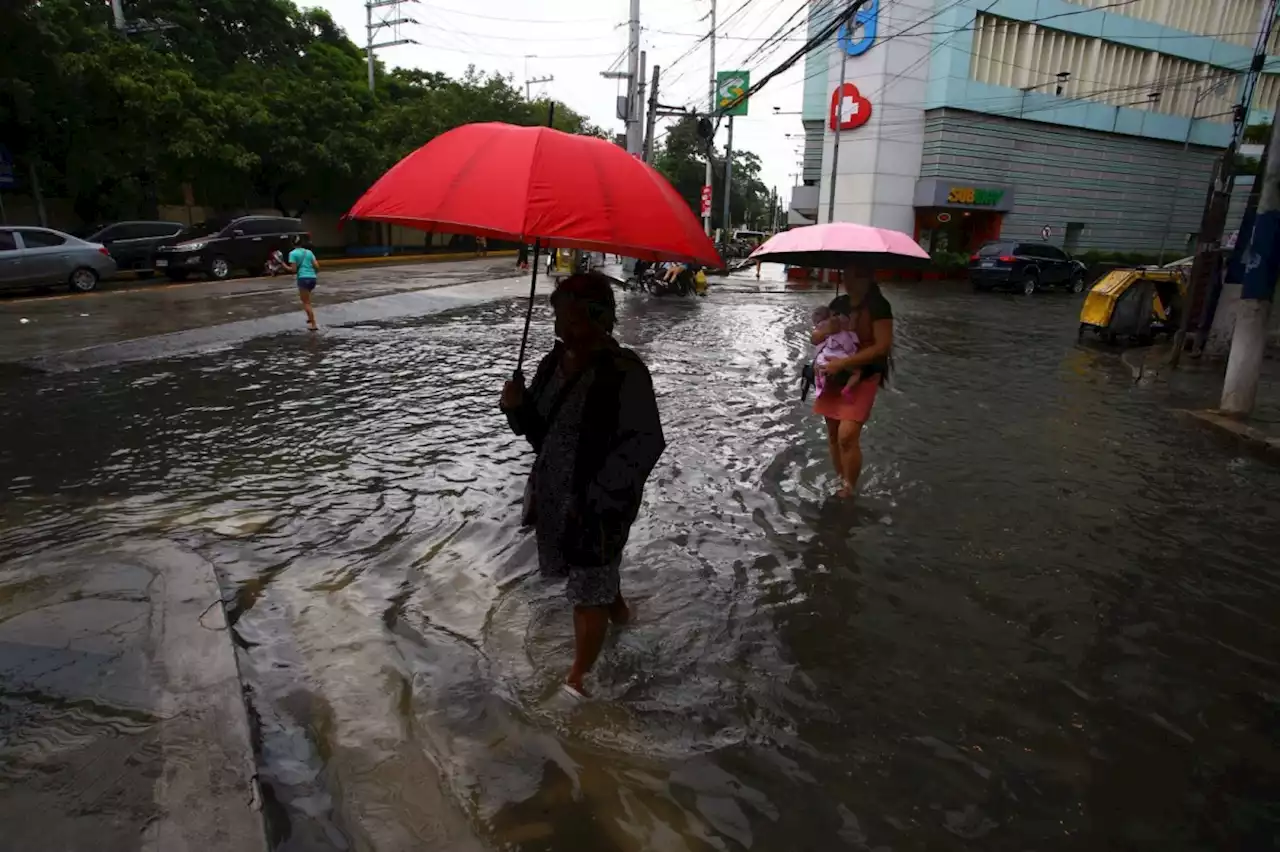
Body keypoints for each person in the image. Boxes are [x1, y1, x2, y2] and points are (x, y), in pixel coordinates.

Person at [500, 272, 666, 698]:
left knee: (587, 586)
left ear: (602, 319)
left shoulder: (625, 372)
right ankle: (623, 615)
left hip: (598, 502)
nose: (564, 328)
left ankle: (578, 680)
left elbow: (645, 443)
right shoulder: (552, 364)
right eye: (559, 318)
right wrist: (515, 410)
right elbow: (539, 432)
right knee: (590, 574)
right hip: (555, 492)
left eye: (574, 319)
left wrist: (599, 498)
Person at [811, 266, 894, 498]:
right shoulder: (839, 304)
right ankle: (841, 478)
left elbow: (883, 346)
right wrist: (823, 333)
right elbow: (816, 335)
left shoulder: (879, 306)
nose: (847, 279)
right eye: (845, 274)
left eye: (853, 274)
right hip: (834, 375)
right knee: (833, 432)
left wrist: (846, 363)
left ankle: (849, 487)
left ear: (867, 276)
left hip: (864, 374)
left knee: (847, 434)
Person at [810, 305, 863, 398]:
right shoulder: (846, 335)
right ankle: (847, 388)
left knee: (817, 365)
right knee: (857, 372)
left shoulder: (828, 337)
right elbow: (849, 348)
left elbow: (818, 347)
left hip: (824, 357)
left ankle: (818, 381)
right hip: (841, 359)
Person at [284, 237, 320, 331]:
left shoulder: (292, 254)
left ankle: (313, 324)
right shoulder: (309, 252)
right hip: (312, 278)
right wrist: (313, 273)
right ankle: (310, 317)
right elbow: (317, 266)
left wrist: (283, 265)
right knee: (307, 299)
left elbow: (293, 270)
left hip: (303, 279)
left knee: (306, 302)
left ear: (292, 244)